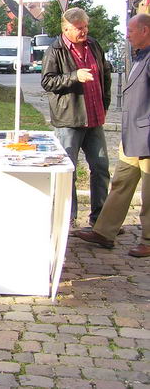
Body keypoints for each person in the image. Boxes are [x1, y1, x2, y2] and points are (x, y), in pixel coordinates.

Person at [74, 13, 150, 258]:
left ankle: (148, 239)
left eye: (131, 30)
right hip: (133, 136)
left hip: (147, 136)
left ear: (145, 30)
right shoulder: (139, 56)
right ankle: (104, 232)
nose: (127, 35)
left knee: (149, 192)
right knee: (121, 183)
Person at [41, 7, 111, 226]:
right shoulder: (55, 50)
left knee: (100, 168)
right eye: (79, 28)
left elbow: (105, 75)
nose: (84, 31)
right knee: (67, 171)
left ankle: (99, 218)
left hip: (94, 118)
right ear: (66, 29)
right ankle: (68, 218)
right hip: (69, 120)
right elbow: (48, 81)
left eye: (85, 27)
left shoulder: (94, 45)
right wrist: (74, 76)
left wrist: (105, 103)